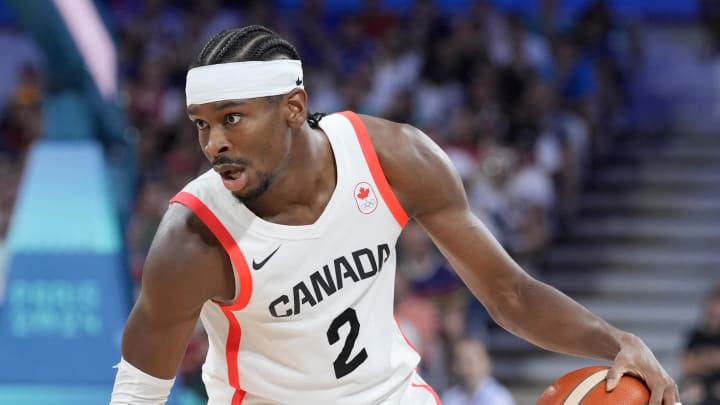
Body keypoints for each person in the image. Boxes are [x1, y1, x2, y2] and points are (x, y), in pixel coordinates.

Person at [110, 25, 680, 405]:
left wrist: (615, 341)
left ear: (293, 107)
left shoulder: (393, 157)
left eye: (231, 118)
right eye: (202, 124)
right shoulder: (192, 238)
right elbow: (138, 393)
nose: (213, 143)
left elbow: (510, 297)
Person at [441, 337, 515, 405]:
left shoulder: (500, 398)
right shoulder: (450, 397)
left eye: (469, 362)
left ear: (485, 362)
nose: (464, 368)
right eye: (459, 362)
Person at [680, 287, 720, 405]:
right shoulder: (696, 335)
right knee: (692, 392)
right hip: (697, 385)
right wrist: (713, 358)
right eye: (713, 310)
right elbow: (686, 364)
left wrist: (702, 358)